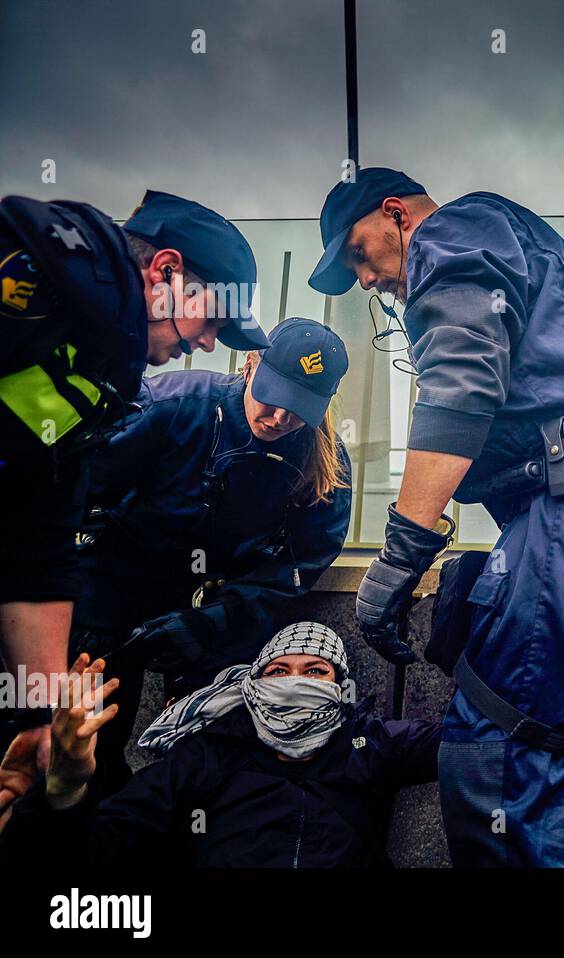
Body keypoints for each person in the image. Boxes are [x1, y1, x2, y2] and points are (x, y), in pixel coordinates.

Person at [308, 168, 564, 867]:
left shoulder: (451, 232)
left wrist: (400, 556)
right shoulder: (508, 236)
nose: (364, 280)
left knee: (498, 745)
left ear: (395, 214)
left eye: (359, 254)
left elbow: (460, 386)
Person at [0, 190, 268, 796]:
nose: (208, 344)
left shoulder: (102, 383)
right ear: (167, 272)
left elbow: (38, 546)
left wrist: (41, 718)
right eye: (213, 322)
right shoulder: (56, 262)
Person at [68, 318, 352, 795]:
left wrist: (217, 619)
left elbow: (303, 561)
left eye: (300, 409)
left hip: (217, 606)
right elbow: (76, 490)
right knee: (92, 737)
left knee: (208, 754)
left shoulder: (324, 460)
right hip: (115, 583)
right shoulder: (172, 406)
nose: (281, 419)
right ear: (249, 365)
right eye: (274, 397)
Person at [0, 624, 441, 867]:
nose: (295, 683)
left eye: (315, 672)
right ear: (252, 687)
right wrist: (64, 787)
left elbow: (473, 745)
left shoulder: (370, 743)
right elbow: (95, 850)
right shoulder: (207, 754)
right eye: (278, 671)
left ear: (340, 686)